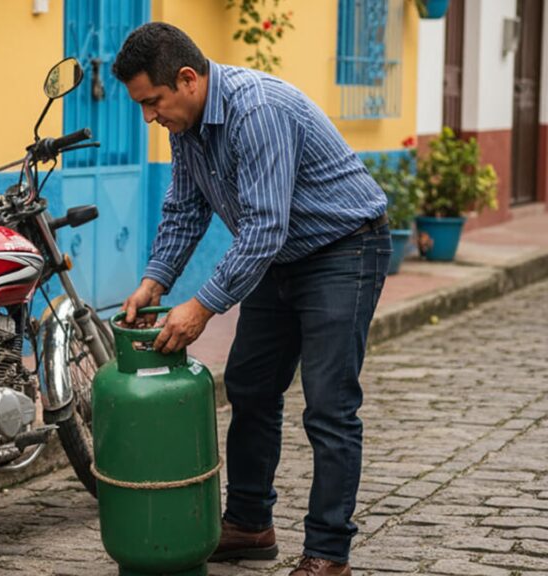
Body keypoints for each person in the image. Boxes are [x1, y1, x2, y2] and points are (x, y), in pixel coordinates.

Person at [113, 22, 390, 576]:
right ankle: (249, 524)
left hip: (343, 250)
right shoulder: (185, 125)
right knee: (250, 385)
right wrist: (155, 280)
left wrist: (203, 306)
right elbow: (186, 208)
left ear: (187, 79)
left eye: (152, 101)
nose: (149, 116)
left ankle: (328, 552)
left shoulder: (257, 110)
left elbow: (264, 226)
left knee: (329, 404)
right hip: (280, 256)